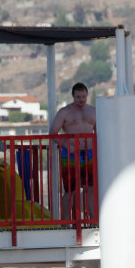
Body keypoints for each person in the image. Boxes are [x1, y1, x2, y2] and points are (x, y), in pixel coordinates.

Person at [49, 83, 96, 219]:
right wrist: (65, 143)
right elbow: (53, 133)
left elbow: (99, 133)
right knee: (70, 190)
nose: (81, 99)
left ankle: (93, 220)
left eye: (84, 96)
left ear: (87, 95)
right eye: (78, 97)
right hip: (70, 154)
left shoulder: (93, 111)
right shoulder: (65, 112)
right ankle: (65, 223)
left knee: (91, 188)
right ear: (73, 96)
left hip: (89, 153)